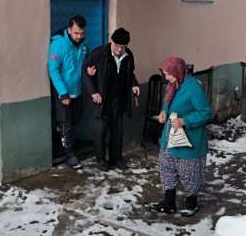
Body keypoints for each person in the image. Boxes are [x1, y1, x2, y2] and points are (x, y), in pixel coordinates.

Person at [150, 57, 212, 217]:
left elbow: (206, 113)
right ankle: (169, 203)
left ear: (177, 72)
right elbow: (168, 102)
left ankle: (191, 204)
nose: (166, 78)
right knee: (166, 165)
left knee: (189, 171)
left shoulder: (194, 89)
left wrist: (186, 121)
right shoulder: (173, 86)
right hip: (171, 134)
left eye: (168, 74)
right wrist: (164, 111)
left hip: (189, 137)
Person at [82, 28, 140, 171]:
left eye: (123, 47)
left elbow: (130, 73)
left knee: (117, 131)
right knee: (100, 131)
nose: (119, 49)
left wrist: (134, 84)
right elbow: (85, 72)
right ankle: (101, 160)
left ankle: (116, 158)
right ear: (111, 41)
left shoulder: (129, 55)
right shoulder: (99, 54)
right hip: (101, 101)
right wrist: (93, 92)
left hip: (118, 100)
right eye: (117, 46)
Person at [49, 15, 89, 169]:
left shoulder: (83, 45)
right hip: (62, 93)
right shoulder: (59, 44)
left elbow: (84, 64)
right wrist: (63, 93)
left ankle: (61, 133)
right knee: (66, 124)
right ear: (69, 30)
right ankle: (70, 155)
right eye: (76, 33)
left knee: (76, 117)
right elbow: (53, 70)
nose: (79, 36)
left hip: (77, 91)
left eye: (82, 33)